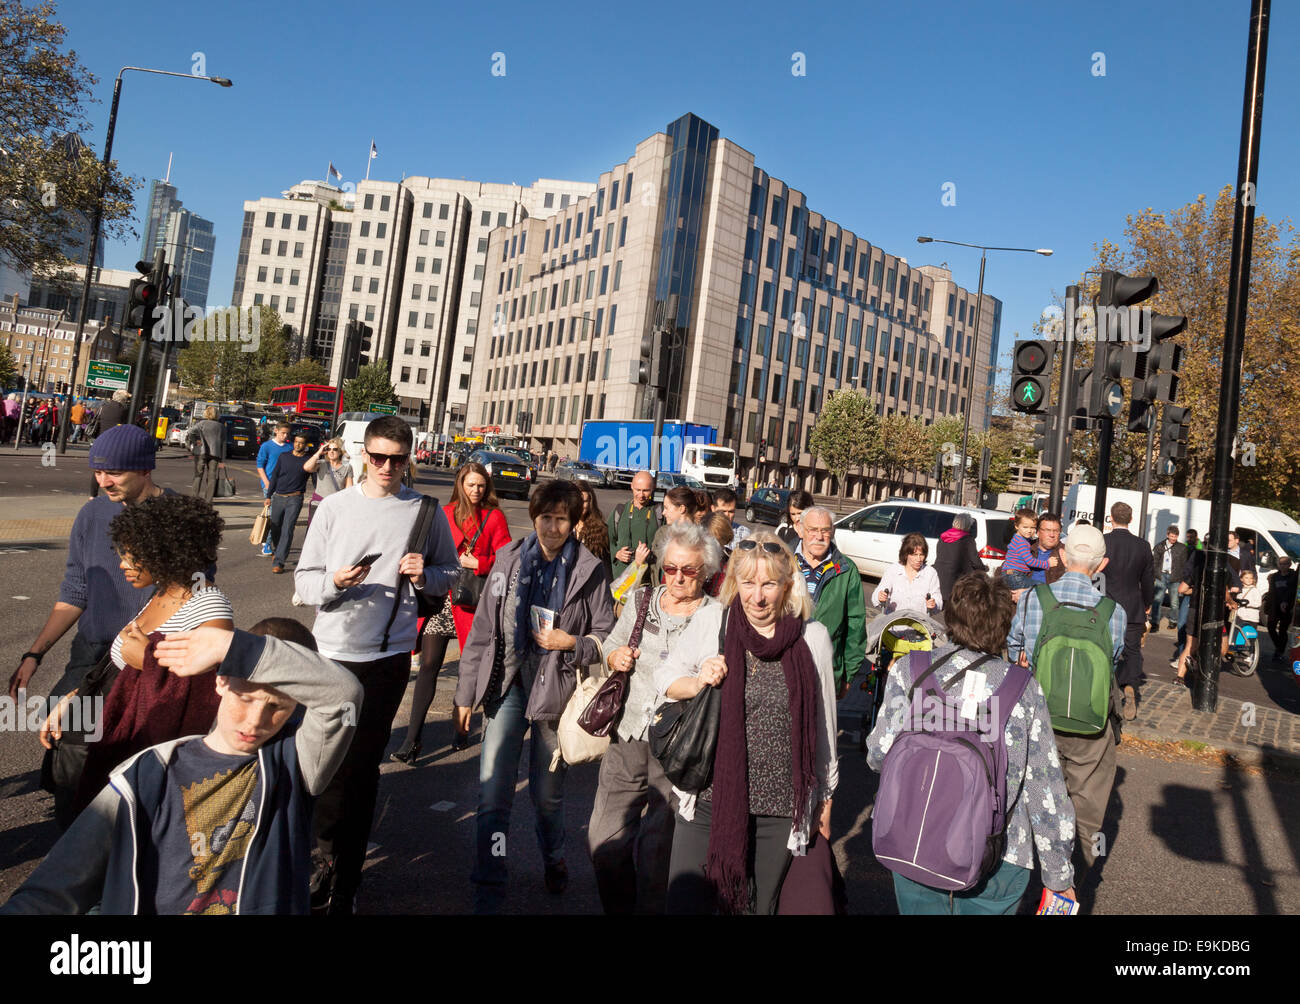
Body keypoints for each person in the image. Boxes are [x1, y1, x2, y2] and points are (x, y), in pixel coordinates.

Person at [3, 621, 364, 915]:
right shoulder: (149, 772)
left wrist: (232, 647)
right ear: (221, 680)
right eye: (247, 697)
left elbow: (344, 694)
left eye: (277, 706)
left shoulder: (295, 765)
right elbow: (57, 885)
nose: (256, 721)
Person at [294, 415, 461, 914]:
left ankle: (345, 882)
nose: (388, 466)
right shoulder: (334, 508)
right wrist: (335, 583)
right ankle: (318, 856)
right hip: (331, 653)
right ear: (364, 455)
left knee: (363, 770)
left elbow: (449, 574)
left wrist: (426, 573)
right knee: (322, 767)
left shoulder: (424, 511)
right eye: (379, 457)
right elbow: (303, 584)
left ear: (409, 458)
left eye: (398, 458)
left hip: (387, 659)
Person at [10, 425, 195, 830]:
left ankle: (111, 864)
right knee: (67, 755)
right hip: (91, 652)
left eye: (114, 473)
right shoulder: (92, 513)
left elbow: (191, 597)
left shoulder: (180, 518)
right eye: (97, 472)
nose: (103, 480)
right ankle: (72, 851)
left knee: (125, 767)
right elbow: (76, 589)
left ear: (145, 470)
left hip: (144, 660)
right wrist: (34, 653)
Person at [867, 572, 1077, 914]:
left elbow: (878, 755)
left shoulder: (910, 669)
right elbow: (1045, 792)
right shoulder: (1022, 689)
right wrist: (1058, 875)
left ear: (951, 617)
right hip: (997, 851)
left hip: (915, 835)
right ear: (1004, 626)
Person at [454, 480, 615, 913]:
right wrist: (465, 693)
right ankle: (492, 879)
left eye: (562, 518)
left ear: (574, 521)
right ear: (534, 516)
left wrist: (571, 642)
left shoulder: (589, 568)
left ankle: (553, 856)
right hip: (506, 685)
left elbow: (605, 634)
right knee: (494, 795)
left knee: (546, 797)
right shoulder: (508, 560)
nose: (553, 527)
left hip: (557, 693)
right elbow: (483, 633)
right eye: (546, 517)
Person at [657, 532, 838, 915]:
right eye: (749, 583)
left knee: (755, 908)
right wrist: (698, 680)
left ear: (787, 585)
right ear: (734, 583)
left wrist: (825, 799)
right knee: (684, 905)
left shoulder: (812, 639)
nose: (758, 597)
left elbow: (823, 730)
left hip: (779, 810)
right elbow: (665, 679)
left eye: (769, 584)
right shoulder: (714, 622)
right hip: (709, 800)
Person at [57, 494, 234, 819]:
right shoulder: (161, 593)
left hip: (141, 770)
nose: (122, 563)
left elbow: (204, 701)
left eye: (133, 555)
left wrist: (148, 661)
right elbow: (117, 672)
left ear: (167, 553)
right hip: (101, 741)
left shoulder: (209, 610)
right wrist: (74, 700)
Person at [586, 522, 722, 914]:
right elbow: (611, 643)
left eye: (689, 571)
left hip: (681, 744)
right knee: (603, 841)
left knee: (657, 858)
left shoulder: (716, 615)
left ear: (706, 571)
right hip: (627, 733)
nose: (677, 578)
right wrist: (614, 657)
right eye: (670, 568)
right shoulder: (643, 598)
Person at [1006, 524, 1126, 883]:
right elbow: (1113, 664)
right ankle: (1075, 877)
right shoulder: (1113, 612)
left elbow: (1015, 651)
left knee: (1030, 791)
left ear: (1060, 555)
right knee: (1087, 802)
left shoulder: (1032, 599)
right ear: (1101, 565)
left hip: (1039, 717)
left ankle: (1026, 870)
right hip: (1090, 725)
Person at [393, 461, 510, 763]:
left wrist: (479, 563)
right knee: (429, 663)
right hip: (440, 598)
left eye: (481, 485)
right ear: (460, 484)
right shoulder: (444, 514)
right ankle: (412, 740)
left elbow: (507, 559)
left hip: (472, 602)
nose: (476, 490)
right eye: (471, 485)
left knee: (467, 671)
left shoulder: (494, 517)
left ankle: (460, 729)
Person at [796, 506, 866, 699]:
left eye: (825, 530)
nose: (819, 536)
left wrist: (848, 676)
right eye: (813, 530)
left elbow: (856, 625)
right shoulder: (783, 562)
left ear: (832, 532)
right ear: (800, 529)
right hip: (785, 667)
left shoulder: (846, 569)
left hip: (826, 670)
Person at [1102, 502, 1153, 722]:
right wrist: (1147, 603)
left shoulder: (1104, 541)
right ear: (1131, 519)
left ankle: (1105, 692)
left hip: (1108, 604)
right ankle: (1130, 685)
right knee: (1132, 650)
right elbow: (1148, 579)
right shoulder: (1142, 546)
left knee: (1105, 648)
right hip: (1133, 605)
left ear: (1110, 518)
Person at [265, 433, 315, 575]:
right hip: (278, 497)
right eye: (296, 442)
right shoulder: (284, 457)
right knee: (275, 528)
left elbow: (317, 479)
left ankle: (279, 562)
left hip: (295, 498)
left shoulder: (308, 460)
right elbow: (275, 476)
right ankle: (278, 550)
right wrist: (269, 495)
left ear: (305, 445)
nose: (298, 445)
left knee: (287, 529)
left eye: (301, 443)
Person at [607, 470, 663, 578]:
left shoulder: (660, 513)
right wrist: (616, 553)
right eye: (638, 490)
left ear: (653, 488)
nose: (641, 495)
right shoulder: (620, 511)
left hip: (649, 577)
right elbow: (607, 539)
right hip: (622, 577)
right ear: (631, 486)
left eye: (646, 490)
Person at [874, 533, 941, 614]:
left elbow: (938, 601)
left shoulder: (931, 573)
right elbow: (876, 597)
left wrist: (934, 604)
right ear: (906, 554)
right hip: (894, 623)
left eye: (922, 554)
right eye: (915, 555)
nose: (919, 559)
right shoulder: (893, 570)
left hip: (919, 624)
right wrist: (880, 597)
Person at [256, 422, 294, 557]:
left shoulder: (290, 447)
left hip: (284, 486)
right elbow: (260, 465)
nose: (285, 436)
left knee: (280, 516)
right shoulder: (266, 446)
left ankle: (269, 539)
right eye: (283, 433)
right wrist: (266, 483)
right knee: (275, 516)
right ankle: (267, 544)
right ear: (276, 431)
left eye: (287, 434)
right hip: (270, 485)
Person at [933, 512, 985, 603]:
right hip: (957, 579)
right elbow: (975, 560)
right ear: (967, 525)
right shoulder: (967, 539)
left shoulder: (943, 536)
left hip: (940, 576)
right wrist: (983, 568)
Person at [302, 437, 354, 526]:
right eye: (329, 449)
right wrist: (319, 452)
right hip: (318, 505)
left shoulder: (347, 467)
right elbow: (307, 467)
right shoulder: (321, 463)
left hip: (335, 506)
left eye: (335, 449)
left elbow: (348, 489)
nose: (331, 451)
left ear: (340, 451)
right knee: (314, 535)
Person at [1000, 509, 1054, 589]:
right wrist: (1047, 564)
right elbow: (1030, 561)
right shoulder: (1021, 543)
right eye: (1025, 527)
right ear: (1016, 526)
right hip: (1015, 575)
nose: (1029, 531)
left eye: (1033, 528)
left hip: (1010, 573)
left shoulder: (1019, 539)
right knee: (1042, 586)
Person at [187, 405, 229, 504]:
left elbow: (190, 432)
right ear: (217, 414)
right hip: (215, 453)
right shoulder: (221, 427)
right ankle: (209, 500)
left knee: (198, 475)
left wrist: (196, 441)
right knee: (212, 477)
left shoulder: (201, 423)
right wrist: (223, 460)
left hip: (201, 452)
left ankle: (194, 498)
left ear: (206, 413)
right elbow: (223, 444)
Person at [1151, 526, 1188, 631]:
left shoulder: (1182, 548)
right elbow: (1154, 562)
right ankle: (1155, 622)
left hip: (1175, 577)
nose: (1173, 539)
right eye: (1171, 536)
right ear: (1167, 535)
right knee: (1157, 600)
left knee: (1174, 601)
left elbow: (1184, 564)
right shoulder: (1159, 546)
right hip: (1161, 575)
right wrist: (1155, 575)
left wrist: (1181, 578)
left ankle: (1173, 621)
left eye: (1175, 537)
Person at [574, 482, 611, 575]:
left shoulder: (600, 529)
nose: (580, 505)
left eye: (584, 501)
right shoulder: (563, 526)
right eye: (577, 500)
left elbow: (605, 565)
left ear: (590, 502)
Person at [1267, 556, 1297, 664]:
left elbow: (1291, 591)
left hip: (1287, 607)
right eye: (1281, 564)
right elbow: (1271, 591)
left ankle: (1279, 652)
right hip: (1275, 606)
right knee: (1270, 627)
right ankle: (1279, 648)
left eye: (1285, 564)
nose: (1282, 566)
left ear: (1289, 565)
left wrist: (1286, 602)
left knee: (1283, 630)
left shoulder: (1293, 576)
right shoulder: (1275, 576)